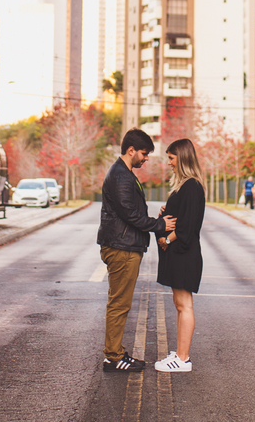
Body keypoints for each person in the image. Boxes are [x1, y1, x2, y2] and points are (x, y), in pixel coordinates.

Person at [97, 129, 175, 373]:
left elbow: (131, 212)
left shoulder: (123, 173)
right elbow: (130, 215)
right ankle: (113, 357)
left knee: (120, 302)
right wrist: (160, 225)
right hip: (121, 248)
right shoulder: (120, 176)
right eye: (144, 153)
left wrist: (155, 220)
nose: (146, 158)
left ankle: (116, 353)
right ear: (131, 150)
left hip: (124, 245)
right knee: (119, 304)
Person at [154, 138, 207, 373]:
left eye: (171, 158)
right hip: (179, 255)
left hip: (185, 255)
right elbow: (181, 214)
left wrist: (167, 240)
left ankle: (183, 359)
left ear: (182, 158)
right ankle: (179, 353)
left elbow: (188, 226)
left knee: (185, 305)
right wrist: (166, 211)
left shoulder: (192, 186)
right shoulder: (185, 186)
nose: (169, 163)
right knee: (179, 304)